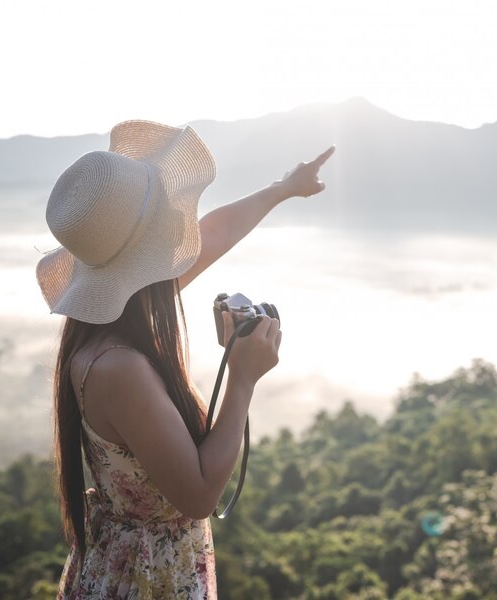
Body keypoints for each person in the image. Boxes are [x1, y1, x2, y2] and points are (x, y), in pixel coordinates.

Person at [35, 120, 334, 598]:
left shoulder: (109, 320)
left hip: (127, 563)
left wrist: (284, 188)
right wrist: (242, 378)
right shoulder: (120, 368)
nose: (183, 237)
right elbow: (197, 496)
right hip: (150, 579)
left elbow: (212, 235)